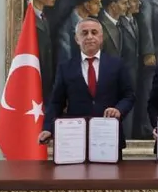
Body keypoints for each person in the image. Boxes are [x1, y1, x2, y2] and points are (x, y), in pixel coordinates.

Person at [38, 17, 136, 157]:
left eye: (94, 32)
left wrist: (119, 110)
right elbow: (56, 102)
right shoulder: (66, 68)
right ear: (77, 39)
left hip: (108, 137)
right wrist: (48, 128)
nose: (89, 37)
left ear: (101, 37)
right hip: (76, 139)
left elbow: (129, 96)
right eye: (84, 33)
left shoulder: (117, 64)